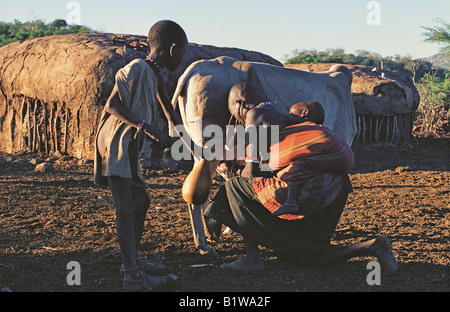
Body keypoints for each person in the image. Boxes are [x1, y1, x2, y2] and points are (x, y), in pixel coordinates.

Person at [203, 101, 398, 275]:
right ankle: (371, 246)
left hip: (308, 192)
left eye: (294, 107)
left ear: (304, 113)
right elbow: (274, 169)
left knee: (235, 187)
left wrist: (237, 170)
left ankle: (252, 258)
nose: (288, 109)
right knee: (309, 255)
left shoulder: (265, 114)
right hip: (336, 192)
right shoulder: (310, 134)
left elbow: (253, 173)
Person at [94, 20, 187, 291]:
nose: (182, 58)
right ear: (172, 49)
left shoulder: (153, 73)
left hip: (128, 145)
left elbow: (168, 110)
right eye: (182, 52)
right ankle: (131, 275)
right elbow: (112, 104)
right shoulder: (137, 68)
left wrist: (187, 141)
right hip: (117, 143)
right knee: (127, 208)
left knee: (142, 202)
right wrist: (148, 129)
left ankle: (132, 260)